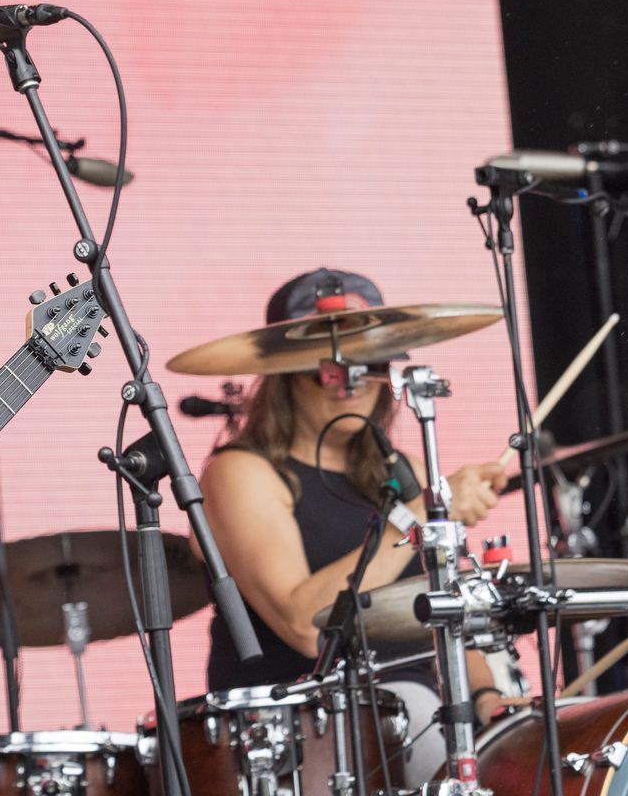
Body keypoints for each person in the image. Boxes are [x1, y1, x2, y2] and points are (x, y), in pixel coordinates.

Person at [198, 268, 511, 787]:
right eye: (329, 365)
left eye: (368, 361)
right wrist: (419, 514)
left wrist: (490, 701)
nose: (351, 380)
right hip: (306, 730)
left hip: (422, 710)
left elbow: (450, 617)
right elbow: (306, 626)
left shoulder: (401, 469)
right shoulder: (241, 471)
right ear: (285, 372)